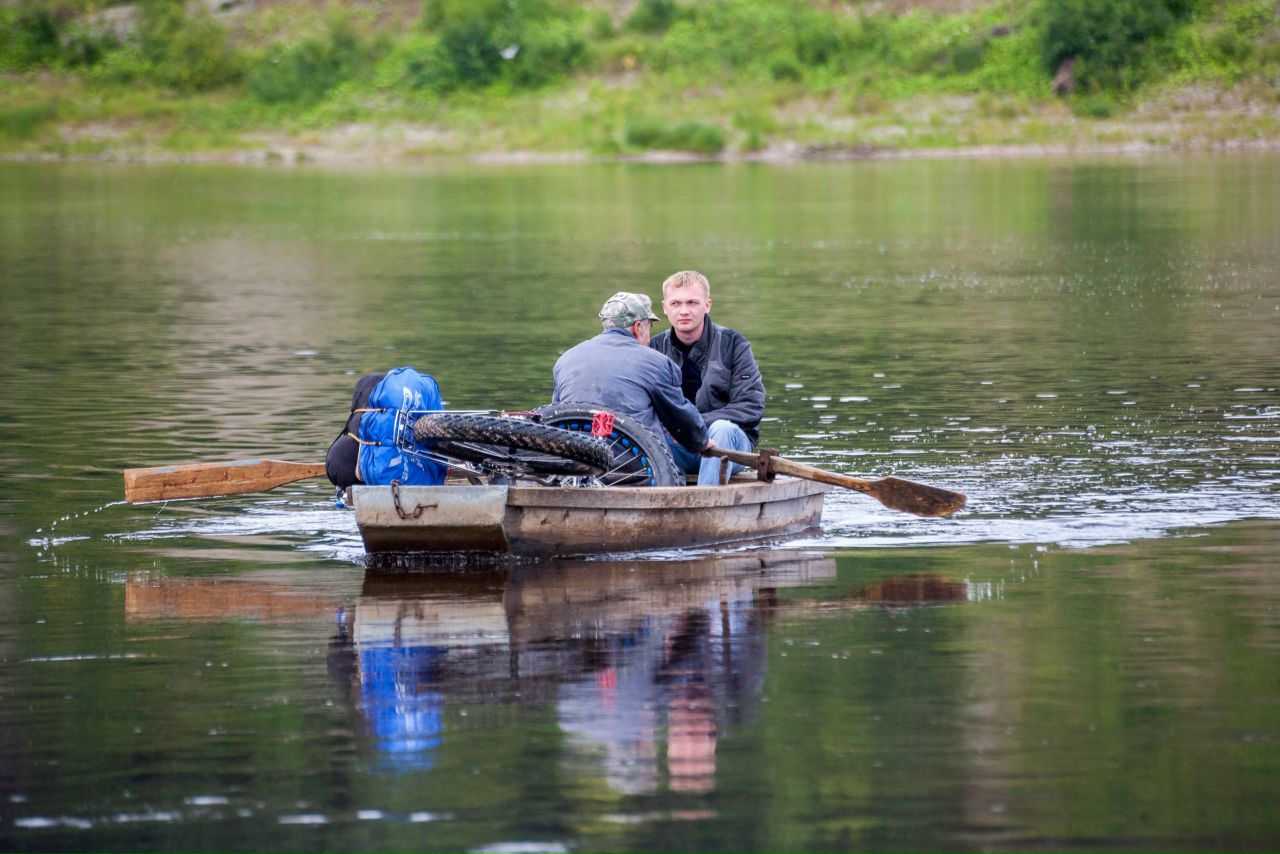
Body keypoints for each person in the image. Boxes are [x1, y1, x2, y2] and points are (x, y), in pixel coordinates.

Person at [552, 292, 710, 461]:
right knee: (701, 455)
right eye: (649, 327)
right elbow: (680, 419)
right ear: (638, 327)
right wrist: (702, 441)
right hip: (636, 465)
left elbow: (556, 415)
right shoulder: (655, 362)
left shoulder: (565, 359)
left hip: (576, 462)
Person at [649, 270, 764, 486]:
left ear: (707, 305)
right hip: (676, 447)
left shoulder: (734, 344)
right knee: (642, 436)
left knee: (722, 428)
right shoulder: (653, 349)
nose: (684, 311)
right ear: (664, 307)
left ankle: (706, 501)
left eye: (692, 302)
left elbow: (751, 406)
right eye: (676, 303)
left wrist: (694, 424)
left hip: (728, 447)